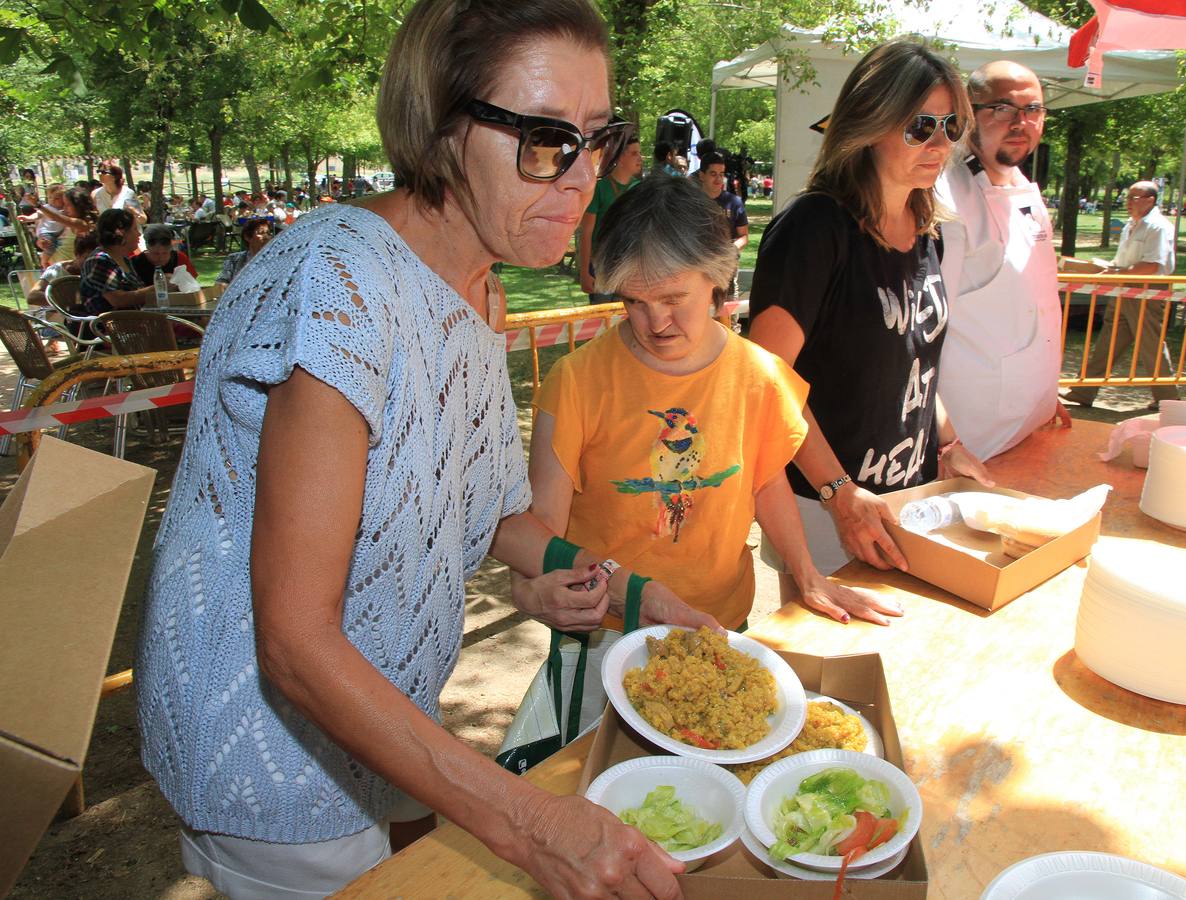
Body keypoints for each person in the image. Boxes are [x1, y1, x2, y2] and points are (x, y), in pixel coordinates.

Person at [135, 2, 714, 898]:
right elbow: (293, 640)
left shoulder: (478, 292)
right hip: (269, 759)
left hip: (385, 725)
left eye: (597, 139)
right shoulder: (339, 290)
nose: (582, 180)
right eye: (544, 139)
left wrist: (636, 595)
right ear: (440, 130)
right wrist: (531, 824)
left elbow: (486, 512)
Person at [525, 176, 902, 631]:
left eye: (673, 298)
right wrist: (532, 589)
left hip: (719, 622)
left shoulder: (758, 374)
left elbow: (766, 484)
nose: (656, 321)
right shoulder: (575, 382)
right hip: (606, 627)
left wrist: (808, 575)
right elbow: (542, 526)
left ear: (717, 277)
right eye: (634, 301)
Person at [747, 40, 993, 591]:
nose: (939, 143)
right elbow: (767, 383)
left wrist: (950, 446)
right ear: (870, 122)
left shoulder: (929, 232)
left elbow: (913, 362)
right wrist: (840, 495)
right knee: (836, 667)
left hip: (913, 496)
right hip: (829, 502)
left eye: (952, 127)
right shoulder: (814, 228)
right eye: (919, 126)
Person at [934, 60, 1069, 463]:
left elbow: (1039, 304)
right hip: (971, 438)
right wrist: (945, 440)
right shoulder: (944, 197)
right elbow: (922, 328)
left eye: (1033, 110)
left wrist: (1043, 395)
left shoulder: (1026, 190)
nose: (1020, 122)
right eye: (1003, 108)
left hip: (1032, 422)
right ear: (967, 115)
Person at [1061, 181, 1178, 410]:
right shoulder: (1130, 225)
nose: (1128, 202)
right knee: (1108, 342)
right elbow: (1123, 260)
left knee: (1151, 345)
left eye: (1134, 197)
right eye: (1128, 197)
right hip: (1122, 287)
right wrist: (1106, 268)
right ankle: (1083, 391)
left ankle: (1168, 400)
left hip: (1144, 290)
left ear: (1150, 200)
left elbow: (1153, 265)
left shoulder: (1157, 227)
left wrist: (1118, 273)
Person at [578, 132, 641, 302]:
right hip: (601, 265)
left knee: (626, 319)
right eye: (634, 153)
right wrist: (584, 272)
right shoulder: (599, 187)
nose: (640, 158)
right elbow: (586, 233)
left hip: (630, 267)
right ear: (620, 158)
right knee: (601, 318)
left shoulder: (640, 189)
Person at [694, 151, 749, 306]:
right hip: (698, 270)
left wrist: (730, 250)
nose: (718, 179)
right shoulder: (690, 202)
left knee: (728, 316)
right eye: (713, 174)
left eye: (721, 174)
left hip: (727, 271)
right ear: (702, 175)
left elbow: (744, 236)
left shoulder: (734, 202)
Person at [80, 208, 155, 314]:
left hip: (133, 320)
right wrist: (158, 288)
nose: (139, 234)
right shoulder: (100, 260)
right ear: (120, 233)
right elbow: (119, 300)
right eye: (134, 229)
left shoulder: (124, 259)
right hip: (108, 326)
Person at [131, 223, 198, 285]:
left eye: (165, 253)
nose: (161, 258)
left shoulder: (179, 258)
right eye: (156, 254)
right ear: (147, 247)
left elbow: (193, 284)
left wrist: (178, 280)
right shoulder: (134, 262)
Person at [214, 217, 274, 286]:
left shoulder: (276, 259)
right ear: (247, 237)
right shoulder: (234, 259)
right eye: (261, 233)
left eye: (269, 233)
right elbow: (221, 282)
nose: (266, 237)